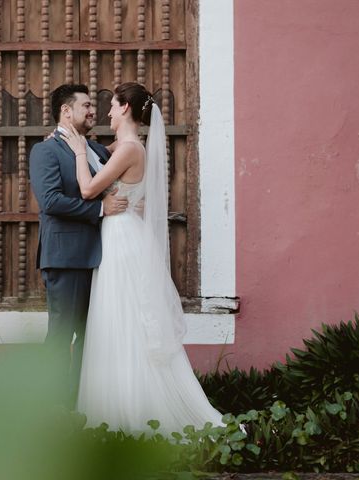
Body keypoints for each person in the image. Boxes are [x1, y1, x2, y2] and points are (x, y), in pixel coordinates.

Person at [60, 82, 223, 436]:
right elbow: (100, 152)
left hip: (121, 239)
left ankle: (133, 409)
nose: (106, 113)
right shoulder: (126, 146)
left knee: (124, 318)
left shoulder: (131, 148)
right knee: (121, 318)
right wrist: (74, 140)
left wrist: (75, 152)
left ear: (126, 109)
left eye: (113, 106)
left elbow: (88, 189)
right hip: (122, 233)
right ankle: (119, 403)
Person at [28, 84, 128, 407]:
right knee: (61, 336)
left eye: (92, 106)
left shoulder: (97, 150)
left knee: (91, 339)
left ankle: (78, 406)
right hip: (67, 259)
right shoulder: (45, 151)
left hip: (102, 259)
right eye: (85, 105)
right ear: (65, 111)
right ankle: (47, 408)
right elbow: (51, 201)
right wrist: (100, 209)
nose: (91, 111)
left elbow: (123, 156)